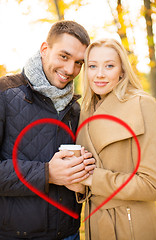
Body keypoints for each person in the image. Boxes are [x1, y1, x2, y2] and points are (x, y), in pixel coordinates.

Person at [0, 20, 96, 240]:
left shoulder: (74, 108)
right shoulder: (4, 93)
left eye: (79, 63)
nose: (70, 70)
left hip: (69, 234)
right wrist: (48, 173)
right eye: (64, 56)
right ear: (45, 49)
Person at [76, 38, 156, 240]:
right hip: (95, 223)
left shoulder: (143, 105)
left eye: (109, 66)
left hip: (132, 225)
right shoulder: (84, 110)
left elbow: (154, 185)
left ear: (122, 70)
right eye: (93, 66)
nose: (100, 74)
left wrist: (92, 179)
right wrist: (78, 183)